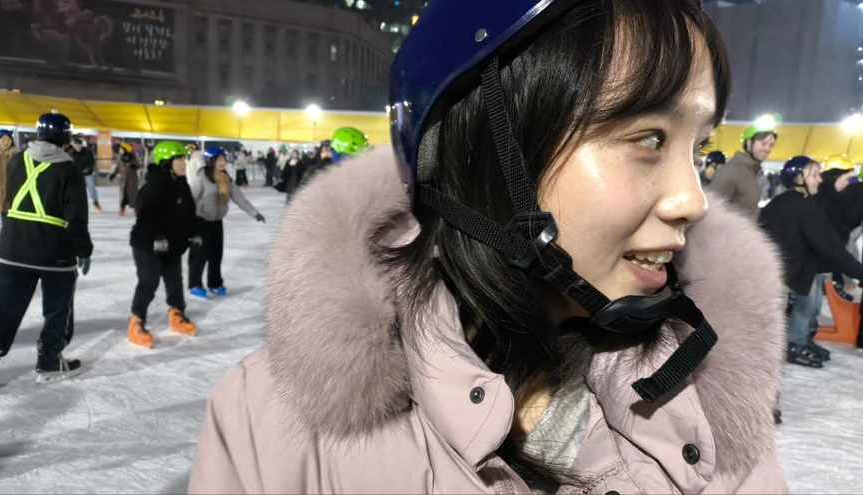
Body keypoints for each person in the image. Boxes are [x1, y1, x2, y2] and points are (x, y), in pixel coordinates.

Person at [189, 1, 787, 493]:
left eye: (698, 147)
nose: (693, 201)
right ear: (488, 153)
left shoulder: (704, 409)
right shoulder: (267, 419)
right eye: (649, 138)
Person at [0, 112, 92, 385]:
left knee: (1, 307)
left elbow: (12, 197)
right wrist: (83, 249)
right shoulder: (69, 169)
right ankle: (49, 360)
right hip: (55, 252)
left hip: (12, 248)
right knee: (58, 308)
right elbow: (77, 216)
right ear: (65, 136)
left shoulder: (17, 159)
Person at [760, 156, 863, 368]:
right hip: (786, 268)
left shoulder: (795, 201)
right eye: (814, 175)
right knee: (805, 305)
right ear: (799, 178)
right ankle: (794, 344)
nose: (819, 179)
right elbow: (830, 246)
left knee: (809, 303)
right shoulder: (801, 205)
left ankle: (800, 339)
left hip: (792, 264)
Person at [127, 141, 199, 348]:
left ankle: (176, 315)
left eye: (184, 159)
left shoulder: (182, 184)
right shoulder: (153, 186)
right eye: (179, 159)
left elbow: (189, 214)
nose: (184, 163)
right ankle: (136, 322)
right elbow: (145, 218)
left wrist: (194, 233)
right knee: (149, 282)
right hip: (147, 244)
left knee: (175, 281)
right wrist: (158, 238)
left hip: (172, 244)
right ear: (166, 163)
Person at [189, 147, 265, 299]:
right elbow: (191, 198)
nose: (223, 163)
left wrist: (254, 212)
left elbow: (239, 198)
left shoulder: (226, 179)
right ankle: (195, 284)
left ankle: (214, 283)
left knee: (216, 254)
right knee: (199, 255)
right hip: (200, 221)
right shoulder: (202, 176)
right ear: (210, 161)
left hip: (217, 222)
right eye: (219, 160)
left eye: (224, 160)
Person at [813, 155, 863, 301]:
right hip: (809, 264)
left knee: (813, 305)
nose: (848, 183)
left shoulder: (837, 197)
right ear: (835, 176)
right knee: (808, 306)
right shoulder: (819, 199)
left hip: (822, 262)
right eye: (846, 179)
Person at [710, 122, 778, 219]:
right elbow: (713, 210)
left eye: (771, 145)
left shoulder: (754, 172)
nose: (767, 149)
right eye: (763, 144)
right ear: (749, 143)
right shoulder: (732, 170)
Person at [69, 138, 102, 213]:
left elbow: (92, 162)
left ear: (81, 145)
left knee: (91, 189)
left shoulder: (88, 152)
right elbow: (70, 164)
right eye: (76, 146)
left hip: (87, 173)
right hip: (77, 174)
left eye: (79, 145)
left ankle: (96, 203)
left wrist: (89, 169)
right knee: (77, 190)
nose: (77, 147)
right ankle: (76, 205)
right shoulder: (71, 153)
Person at [110, 142, 141, 216]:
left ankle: (135, 209)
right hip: (123, 180)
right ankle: (122, 208)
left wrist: (134, 165)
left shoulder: (132, 157)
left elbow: (138, 165)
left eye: (121, 149)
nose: (120, 150)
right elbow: (118, 167)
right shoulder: (120, 157)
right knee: (123, 195)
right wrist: (113, 174)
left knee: (133, 195)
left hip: (132, 180)